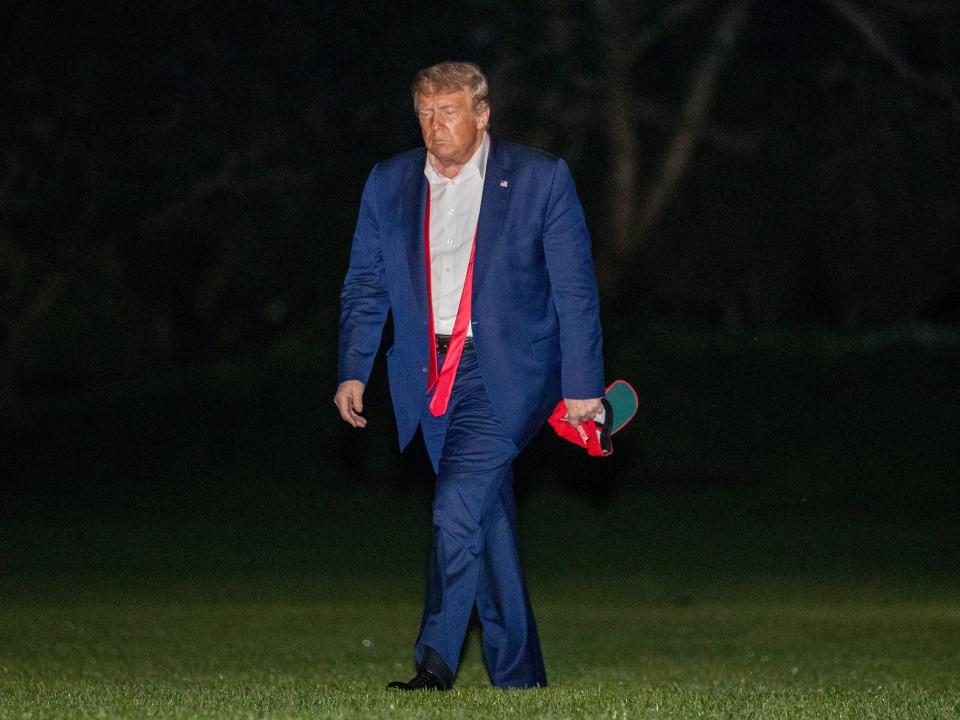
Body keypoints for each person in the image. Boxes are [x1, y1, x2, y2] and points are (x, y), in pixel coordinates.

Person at [334, 61, 605, 691]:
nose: (435, 127)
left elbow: (575, 290)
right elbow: (366, 283)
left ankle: (434, 661)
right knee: (486, 521)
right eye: (425, 114)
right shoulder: (389, 182)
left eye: (449, 112)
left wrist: (583, 384)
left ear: (482, 113)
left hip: (507, 369)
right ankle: (519, 676)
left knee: (455, 506)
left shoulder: (541, 179)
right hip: (427, 372)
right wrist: (353, 368)